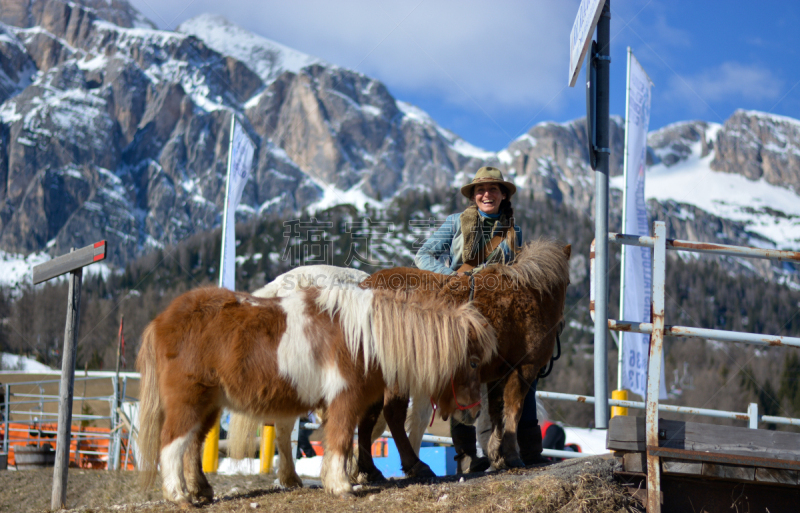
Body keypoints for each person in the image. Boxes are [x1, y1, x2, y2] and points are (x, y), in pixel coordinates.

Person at [414, 166, 546, 472]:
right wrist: (456, 279)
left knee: (511, 378)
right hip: (462, 308)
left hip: (502, 315)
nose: (487, 194)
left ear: (503, 195)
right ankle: (467, 458)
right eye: (481, 190)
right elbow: (423, 255)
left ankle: (521, 451)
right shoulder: (455, 223)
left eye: (493, 189)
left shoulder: (515, 232)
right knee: (463, 378)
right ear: (474, 197)